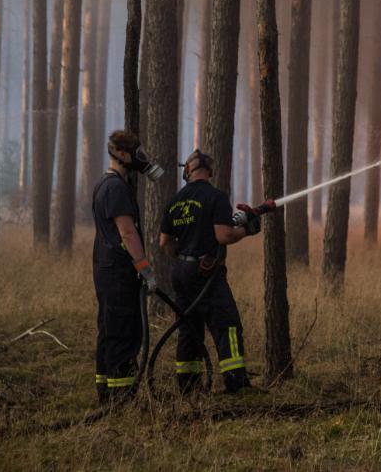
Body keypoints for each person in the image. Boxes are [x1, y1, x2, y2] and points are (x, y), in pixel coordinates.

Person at [159, 149, 261, 394]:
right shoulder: (216, 197)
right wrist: (247, 230)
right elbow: (224, 235)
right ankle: (237, 383)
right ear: (209, 172)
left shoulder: (175, 200)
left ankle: (188, 386)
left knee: (188, 327)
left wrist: (183, 259)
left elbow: (164, 242)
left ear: (188, 172)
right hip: (206, 273)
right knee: (227, 324)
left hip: (180, 272)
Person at [91, 130, 159, 405]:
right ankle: (122, 398)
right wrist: (145, 269)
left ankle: (106, 390)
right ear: (120, 154)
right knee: (124, 331)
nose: (140, 159)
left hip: (105, 268)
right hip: (118, 272)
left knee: (108, 329)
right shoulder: (116, 188)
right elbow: (127, 232)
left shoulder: (104, 184)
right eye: (136, 153)